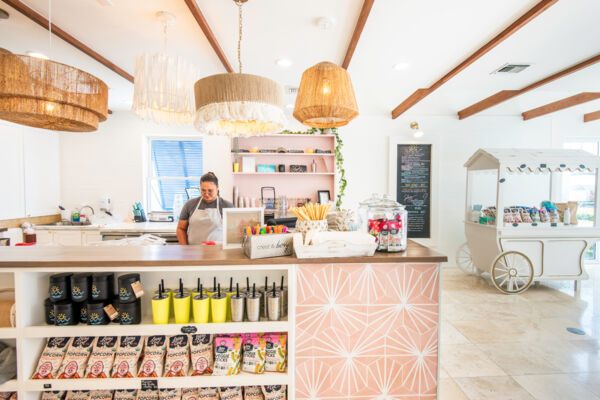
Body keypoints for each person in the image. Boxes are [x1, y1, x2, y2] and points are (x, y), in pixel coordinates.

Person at [177, 172, 234, 244]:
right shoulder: (190, 204)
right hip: (193, 251)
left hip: (217, 252)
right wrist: (184, 249)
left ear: (217, 187)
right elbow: (181, 229)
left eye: (210, 190)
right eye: (203, 190)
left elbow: (232, 231)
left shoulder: (227, 206)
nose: (206, 194)